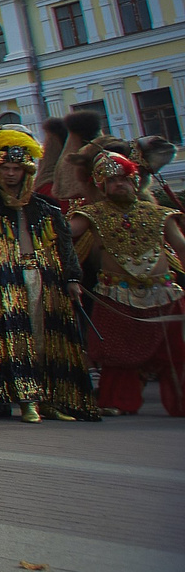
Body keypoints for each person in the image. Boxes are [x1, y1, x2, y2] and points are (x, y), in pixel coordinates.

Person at [0, 128, 100, 422]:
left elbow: (64, 246)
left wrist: (73, 278)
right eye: (6, 168)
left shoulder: (45, 206)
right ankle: (26, 399)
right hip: (4, 280)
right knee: (14, 337)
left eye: (17, 169)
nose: (11, 174)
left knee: (49, 337)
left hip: (48, 278)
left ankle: (50, 399)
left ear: (26, 172)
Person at [68, 150, 184, 417]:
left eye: (123, 178)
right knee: (116, 354)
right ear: (101, 185)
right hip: (115, 295)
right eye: (110, 180)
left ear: (134, 181)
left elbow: (180, 245)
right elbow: (64, 234)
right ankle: (118, 401)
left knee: (177, 354)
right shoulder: (91, 214)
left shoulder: (160, 214)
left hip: (164, 294)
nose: (118, 183)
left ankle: (181, 402)